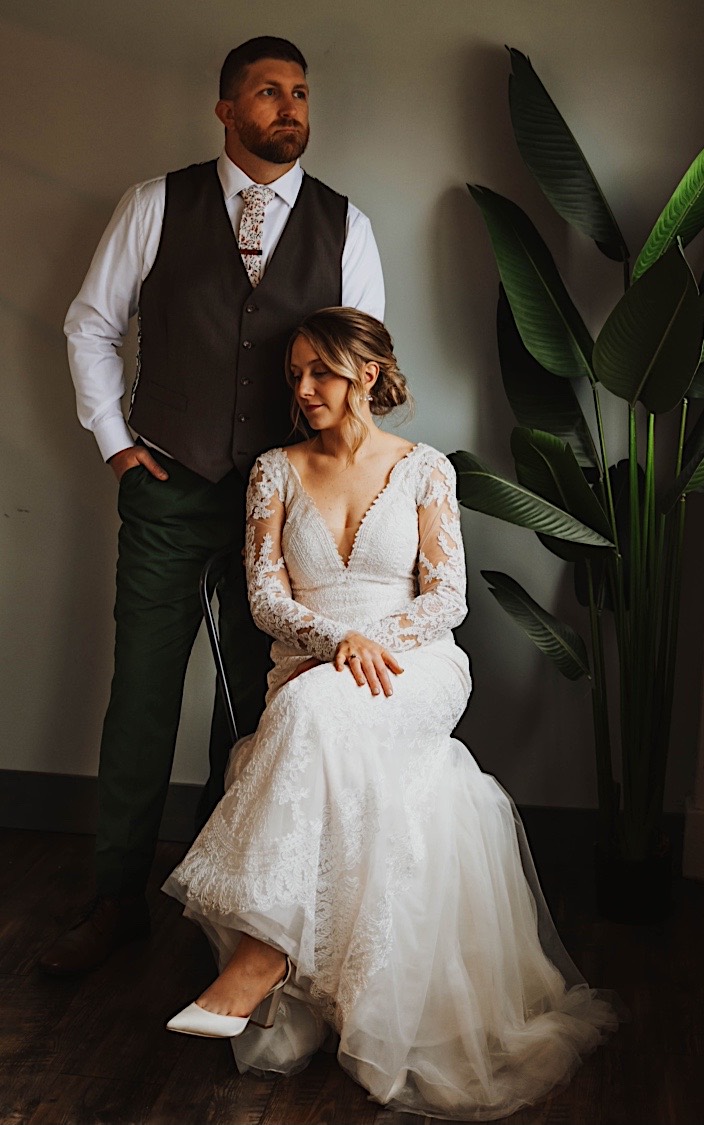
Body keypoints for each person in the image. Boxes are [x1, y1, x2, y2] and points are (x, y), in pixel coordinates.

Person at [161, 308, 614, 1117]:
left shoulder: (425, 469)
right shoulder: (273, 471)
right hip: (309, 658)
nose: (302, 389)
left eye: (321, 372)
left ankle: (263, 958)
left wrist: (370, 643)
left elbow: (445, 599)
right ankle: (297, 972)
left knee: (314, 712)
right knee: (312, 705)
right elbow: (266, 598)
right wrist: (338, 642)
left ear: (367, 374)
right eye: (295, 373)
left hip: (416, 663)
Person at [47, 36, 385, 977]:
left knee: (254, 705)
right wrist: (117, 442)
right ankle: (114, 900)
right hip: (166, 486)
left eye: (301, 93)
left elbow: (364, 368)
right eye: (269, 93)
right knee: (143, 696)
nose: (290, 108)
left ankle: (217, 898)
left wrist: (326, 486)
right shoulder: (155, 204)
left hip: (281, 506)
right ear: (226, 111)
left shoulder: (346, 226)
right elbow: (92, 324)